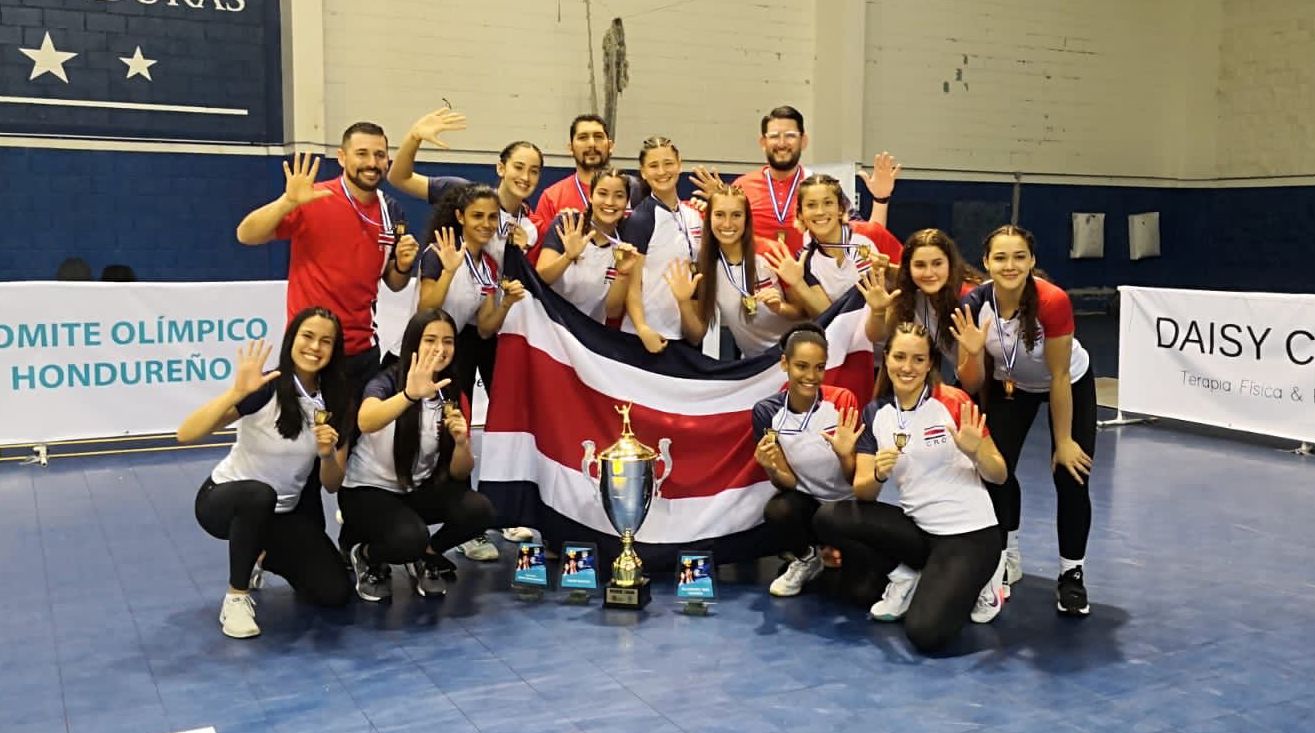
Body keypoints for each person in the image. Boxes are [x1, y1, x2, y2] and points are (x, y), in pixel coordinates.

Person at [815, 322, 1008, 653]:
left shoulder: (952, 401)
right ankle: (906, 574)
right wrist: (878, 474)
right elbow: (863, 492)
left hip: (969, 536)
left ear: (930, 363)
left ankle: (985, 581)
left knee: (925, 634)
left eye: (918, 359)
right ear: (887, 358)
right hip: (919, 532)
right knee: (829, 517)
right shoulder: (876, 412)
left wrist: (976, 452)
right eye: (900, 357)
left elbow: (999, 475)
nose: (908, 367)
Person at [175, 307, 353, 638]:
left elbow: (332, 484)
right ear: (292, 340)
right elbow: (186, 433)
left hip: (282, 514)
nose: (315, 347)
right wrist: (236, 393)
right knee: (259, 494)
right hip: (225, 501)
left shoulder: (336, 400)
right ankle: (236, 598)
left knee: (334, 593)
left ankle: (261, 555)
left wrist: (327, 455)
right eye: (308, 336)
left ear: (335, 349)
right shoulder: (267, 386)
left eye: (326, 341)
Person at [952, 225, 1097, 616]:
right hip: (1010, 386)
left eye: (1019, 257)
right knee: (996, 470)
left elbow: (1060, 376)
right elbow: (972, 383)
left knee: (1071, 474)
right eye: (1000, 257)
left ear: (1032, 261)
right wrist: (971, 353)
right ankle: (1005, 556)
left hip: (1067, 383)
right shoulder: (974, 303)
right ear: (986, 263)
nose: (1010, 265)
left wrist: (1064, 442)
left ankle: (1071, 574)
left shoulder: (1052, 301)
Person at [235, 124, 420, 395]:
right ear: (342, 157)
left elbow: (394, 283)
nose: (371, 163)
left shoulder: (391, 210)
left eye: (379, 155)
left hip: (362, 351)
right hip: (313, 350)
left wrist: (403, 265)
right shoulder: (313, 197)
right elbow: (246, 234)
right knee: (307, 423)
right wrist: (287, 202)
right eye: (362, 154)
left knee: (359, 424)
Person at [338, 309, 495, 601]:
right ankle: (366, 554)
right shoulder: (386, 381)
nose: (440, 348)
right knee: (408, 538)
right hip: (367, 491)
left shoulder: (453, 392)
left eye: (448, 341)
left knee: (479, 510)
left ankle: (427, 555)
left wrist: (461, 443)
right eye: (430, 340)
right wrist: (409, 395)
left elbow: (459, 473)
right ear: (413, 343)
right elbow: (366, 420)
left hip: (414, 490)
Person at [690, 105, 901, 256]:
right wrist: (720, 203)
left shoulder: (820, 188)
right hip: (757, 286)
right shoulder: (742, 186)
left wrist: (880, 199)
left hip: (811, 287)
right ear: (763, 142)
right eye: (774, 136)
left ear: (804, 141)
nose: (782, 143)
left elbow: (869, 238)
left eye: (790, 135)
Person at [751, 323, 862, 597]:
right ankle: (807, 558)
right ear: (784, 364)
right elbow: (787, 482)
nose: (811, 376)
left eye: (819, 367)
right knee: (778, 510)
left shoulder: (842, 400)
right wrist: (770, 467)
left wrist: (845, 455)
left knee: (860, 591)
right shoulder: (767, 412)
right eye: (802, 366)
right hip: (809, 508)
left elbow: (856, 478)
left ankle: (842, 551)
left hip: (847, 506)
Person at [664, 186, 803, 357]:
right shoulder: (704, 265)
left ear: (747, 219)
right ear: (709, 218)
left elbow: (803, 312)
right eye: (719, 215)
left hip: (795, 355)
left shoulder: (771, 252)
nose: (727, 224)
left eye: (736, 215)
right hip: (754, 362)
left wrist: (780, 308)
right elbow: (696, 336)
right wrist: (683, 302)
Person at [762, 174, 902, 319]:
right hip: (844, 331)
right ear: (800, 214)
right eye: (811, 205)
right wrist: (798, 283)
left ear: (840, 209)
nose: (820, 212)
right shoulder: (804, 259)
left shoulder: (872, 233)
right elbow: (828, 317)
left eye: (828, 203)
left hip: (892, 327)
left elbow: (913, 277)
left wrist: (890, 270)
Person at [621, 136, 704, 353]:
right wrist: (642, 328)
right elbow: (632, 285)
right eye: (653, 165)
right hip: (649, 335)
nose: (662, 171)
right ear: (643, 172)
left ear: (679, 164)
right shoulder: (641, 219)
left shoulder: (693, 215)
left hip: (685, 332)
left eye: (668, 163)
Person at [862, 228, 983, 372]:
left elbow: (973, 380)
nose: (929, 273)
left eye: (937, 264)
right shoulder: (909, 294)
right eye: (920, 265)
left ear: (950, 264)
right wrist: (878, 311)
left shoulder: (971, 298)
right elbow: (876, 336)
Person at [535, 168, 641, 323]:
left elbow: (612, 312)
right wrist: (568, 257)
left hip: (587, 331)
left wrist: (623, 274)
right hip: (550, 323)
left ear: (627, 202)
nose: (610, 202)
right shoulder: (568, 224)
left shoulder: (625, 242)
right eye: (602, 193)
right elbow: (541, 279)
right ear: (590, 196)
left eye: (619, 196)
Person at [531, 114, 624, 246]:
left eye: (598, 137)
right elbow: (541, 252)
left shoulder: (632, 192)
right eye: (583, 137)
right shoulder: (552, 197)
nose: (592, 144)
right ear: (571, 148)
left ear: (610, 146)